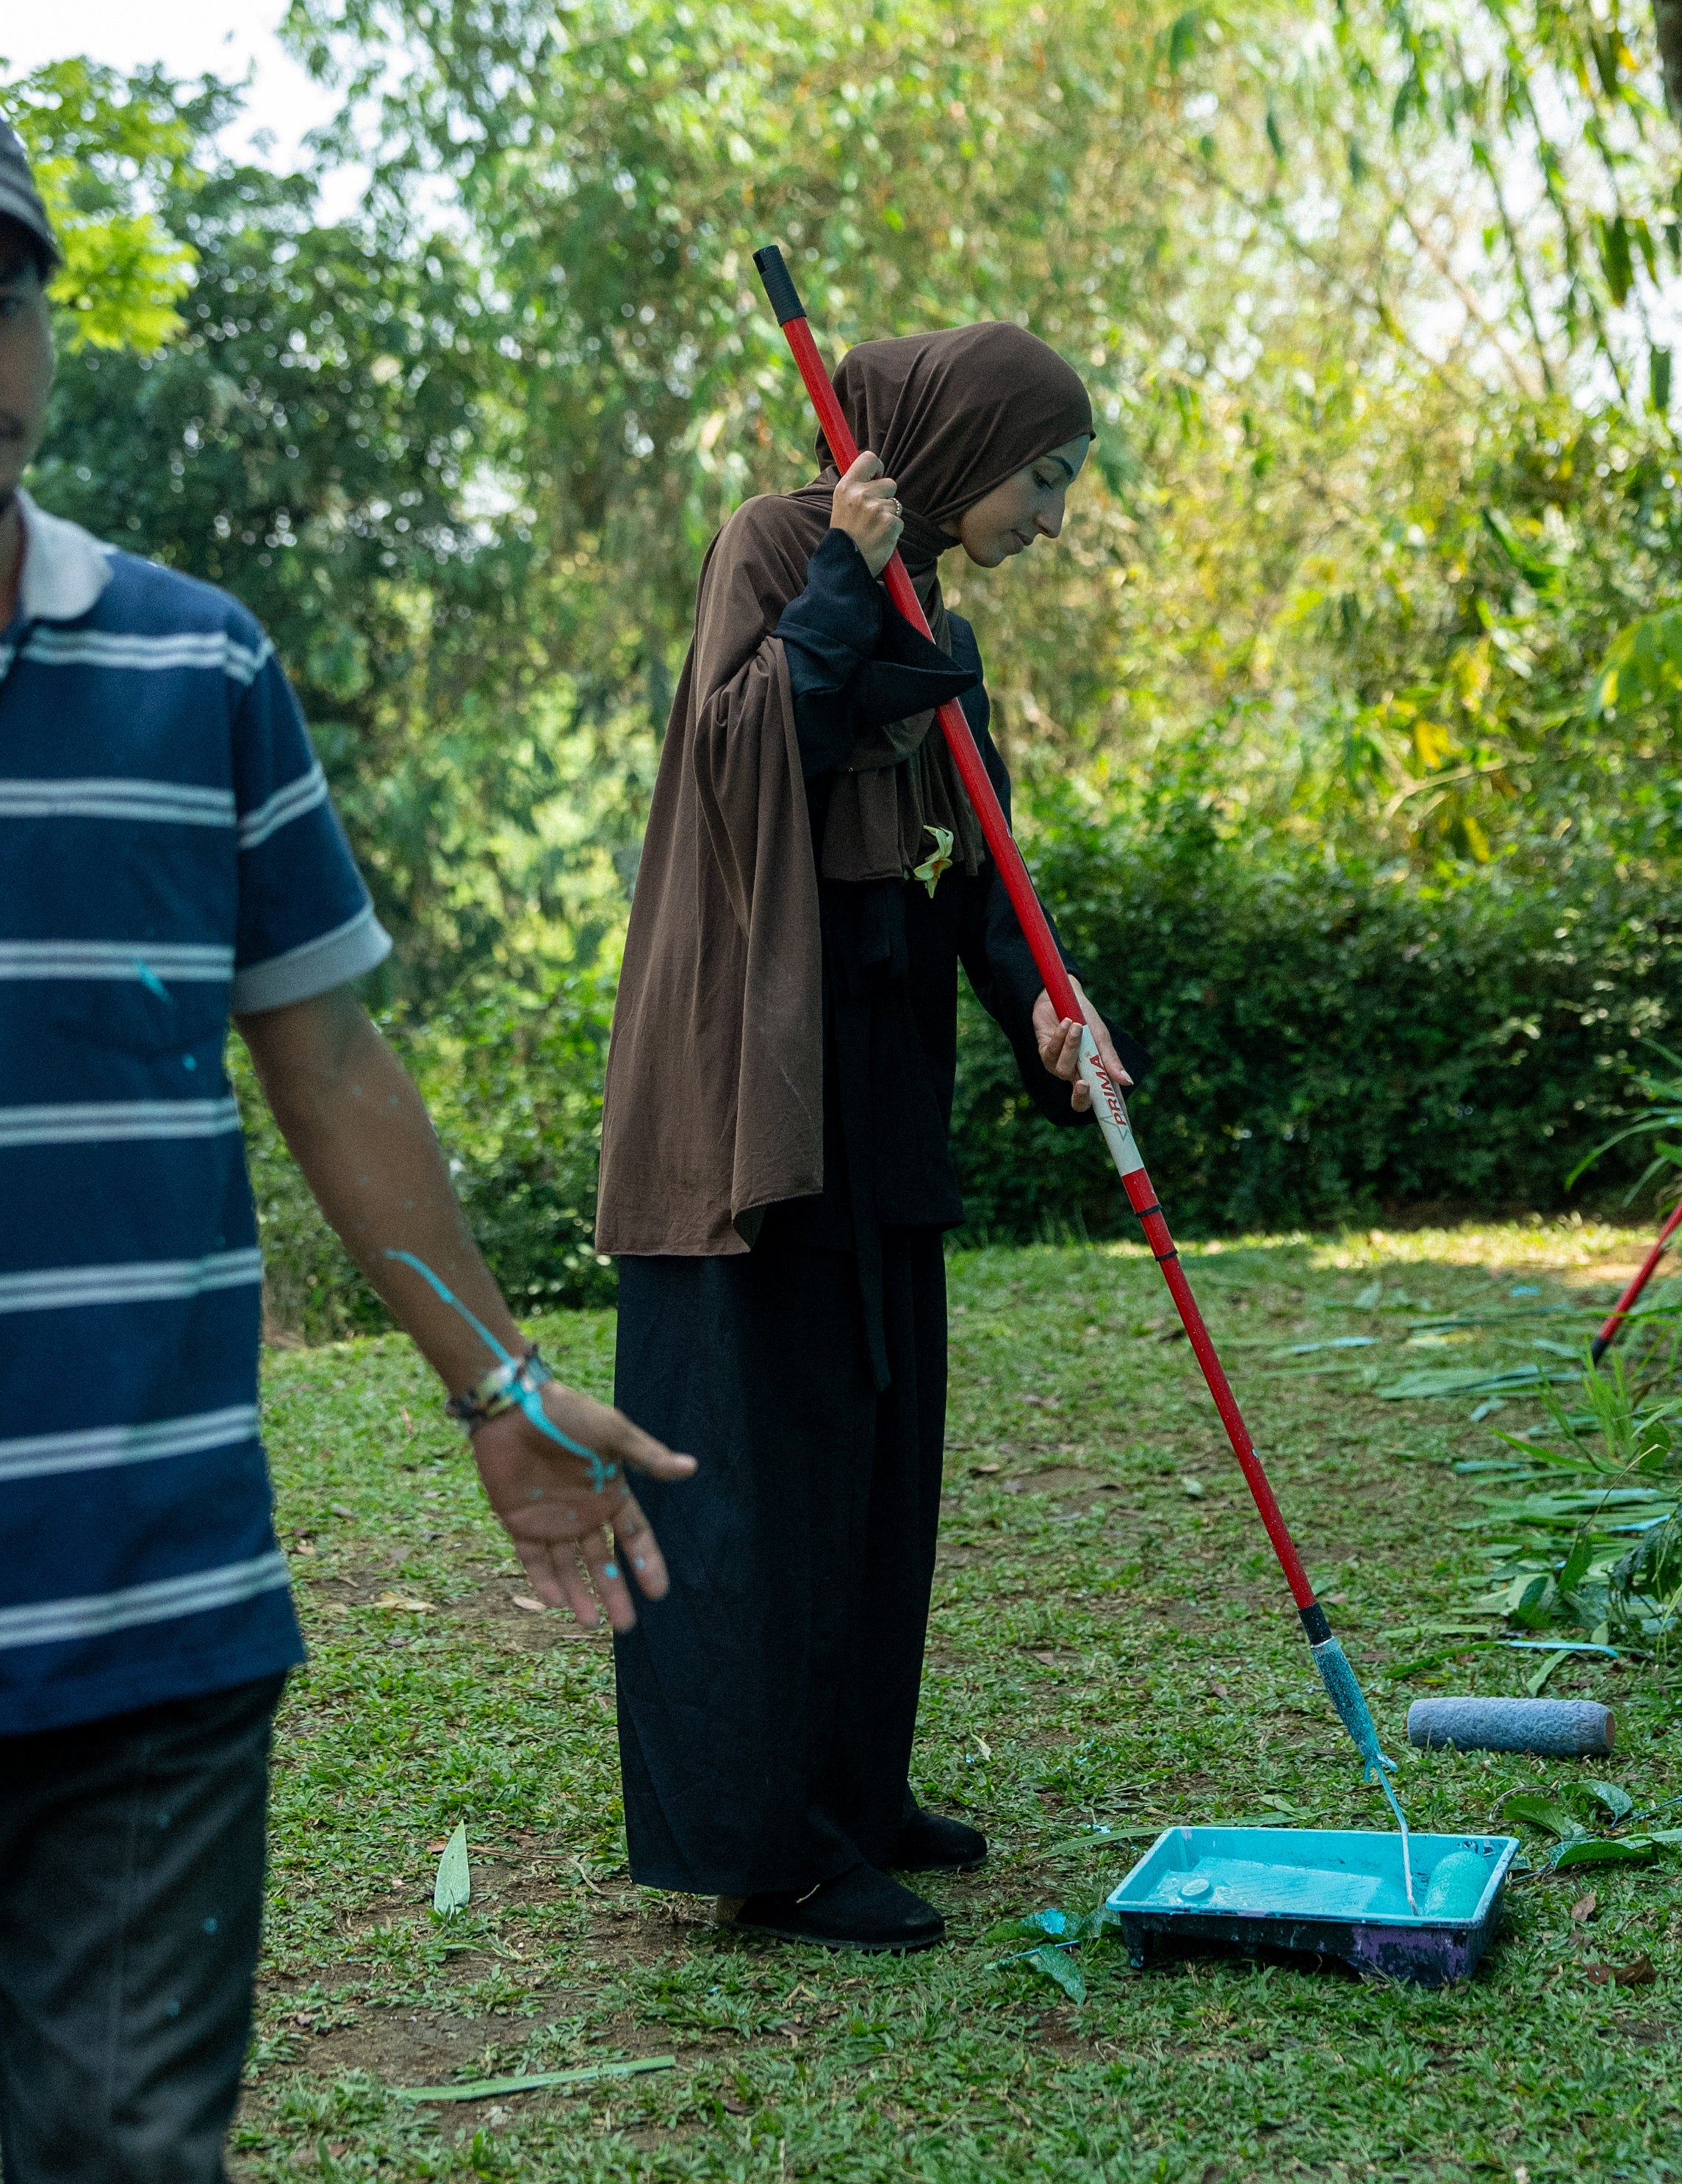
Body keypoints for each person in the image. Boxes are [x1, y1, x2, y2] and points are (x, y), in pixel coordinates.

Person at [0, 114, 696, 2184]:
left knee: (120, 2153)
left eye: (4, 290)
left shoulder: (190, 666)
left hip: (155, 1606)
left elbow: (327, 1057)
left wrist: (493, 1380)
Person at [597, 320, 1146, 1953]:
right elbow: (737, 749)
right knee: (755, 1460)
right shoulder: (783, 541)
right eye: (1045, 477)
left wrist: (1052, 1018)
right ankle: (766, 1846)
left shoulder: (944, 622)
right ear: (967, 443)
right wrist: (843, 573)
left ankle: (854, 1785)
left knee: (877, 1439)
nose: (1052, 514)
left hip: (877, 1052)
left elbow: (980, 872)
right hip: (748, 1062)